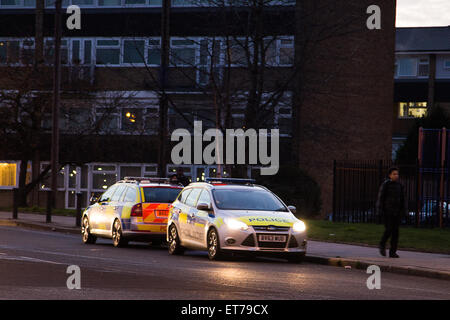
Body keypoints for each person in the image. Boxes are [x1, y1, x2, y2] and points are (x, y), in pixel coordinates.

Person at [376, 167, 408, 258]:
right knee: (389, 229)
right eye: (394, 174)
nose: (396, 176)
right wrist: (379, 210)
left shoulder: (400, 185)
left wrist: (405, 211)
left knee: (395, 232)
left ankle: (392, 252)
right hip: (387, 211)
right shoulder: (386, 185)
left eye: (397, 174)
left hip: (397, 212)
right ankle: (382, 244)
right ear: (390, 175)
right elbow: (381, 198)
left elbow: (403, 199)